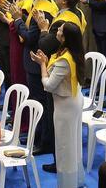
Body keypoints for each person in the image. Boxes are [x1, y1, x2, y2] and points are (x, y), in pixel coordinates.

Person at [36, 21, 84, 186]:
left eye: (60, 30)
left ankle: (67, 183)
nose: (56, 31)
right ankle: (75, 180)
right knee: (73, 144)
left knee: (65, 146)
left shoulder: (65, 60)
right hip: (72, 99)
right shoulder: (71, 52)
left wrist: (42, 64)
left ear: (64, 38)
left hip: (65, 106)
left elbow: (48, 85)